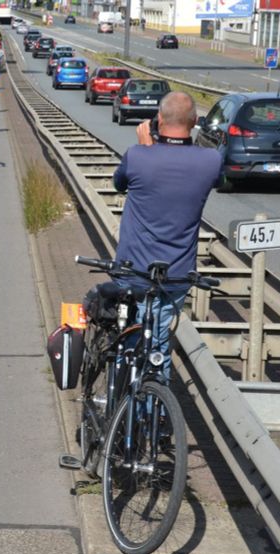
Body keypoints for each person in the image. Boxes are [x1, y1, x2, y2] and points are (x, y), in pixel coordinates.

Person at [112, 92, 222, 379]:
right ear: (195, 122)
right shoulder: (210, 161)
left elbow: (119, 183)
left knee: (134, 333)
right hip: (177, 275)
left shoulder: (137, 156)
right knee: (158, 338)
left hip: (132, 270)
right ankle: (152, 410)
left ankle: (127, 396)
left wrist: (149, 148)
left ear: (158, 120)